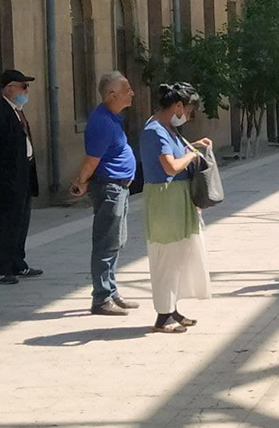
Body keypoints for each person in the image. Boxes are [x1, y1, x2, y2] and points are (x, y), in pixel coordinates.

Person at [140, 83, 213, 333]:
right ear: (178, 106)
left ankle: (172, 309)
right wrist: (192, 156)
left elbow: (172, 153)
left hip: (176, 197)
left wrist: (194, 145)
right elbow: (170, 166)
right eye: (189, 111)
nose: (188, 116)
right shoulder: (154, 131)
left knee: (178, 255)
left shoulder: (167, 129)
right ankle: (163, 316)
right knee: (166, 256)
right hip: (164, 199)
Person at [70, 71, 140, 315]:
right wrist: (81, 181)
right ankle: (101, 298)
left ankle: (111, 291)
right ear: (112, 94)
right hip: (109, 188)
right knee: (105, 243)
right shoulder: (101, 122)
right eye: (127, 89)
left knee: (115, 242)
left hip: (120, 187)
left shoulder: (113, 118)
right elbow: (92, 160)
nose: (132, 93)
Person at [0, 69, 42, 284]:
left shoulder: (17, 111)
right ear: (9, 88)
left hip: (22, 176)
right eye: (23, 86)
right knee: (5, 225)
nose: (26, 91)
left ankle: (17, 263)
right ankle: (1, 269)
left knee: (20, 223)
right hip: (7, 181)